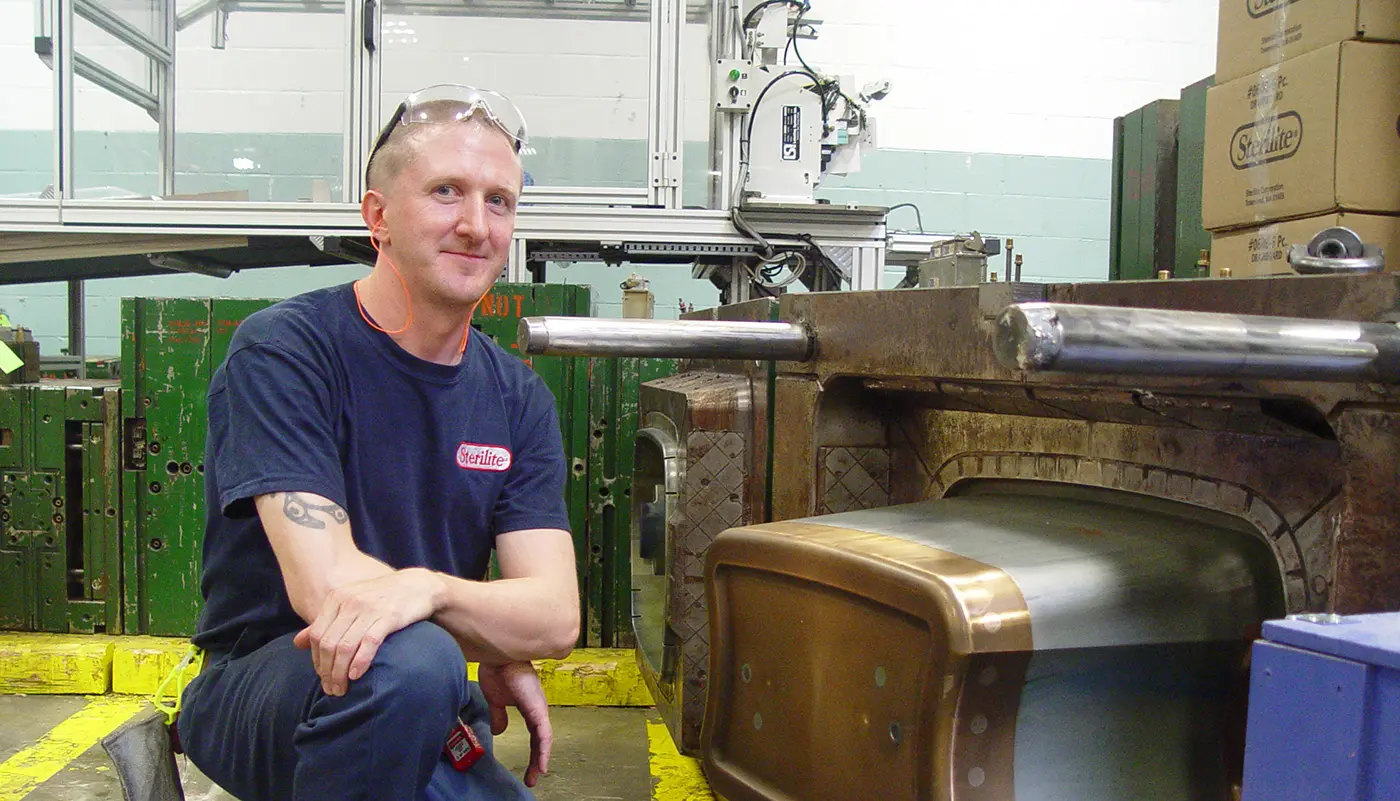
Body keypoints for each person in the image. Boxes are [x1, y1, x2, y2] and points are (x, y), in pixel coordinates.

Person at [176, 84, 579, 801]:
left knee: (421, 666)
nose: (475, 225)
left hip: (421, 691)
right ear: (377, 216)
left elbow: (553, 615)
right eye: (446, 191)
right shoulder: (285, 352)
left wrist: (437, 596)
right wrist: (482, 636)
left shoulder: (518, 399)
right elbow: (327, 589)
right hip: (268, 686)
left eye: (499, 202)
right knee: (414, 659)